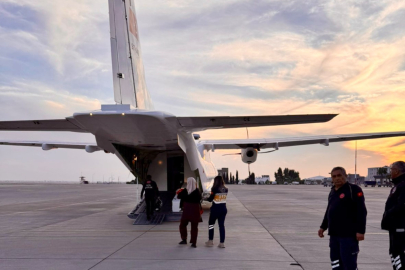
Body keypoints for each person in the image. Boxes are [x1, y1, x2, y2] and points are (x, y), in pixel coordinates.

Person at [318, 166, 367, 270]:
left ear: (345, 176)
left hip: (348, 236)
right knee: (335, 263)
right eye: (334, 176)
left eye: (339, 175)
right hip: (334, 235)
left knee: (349, 265)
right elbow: (329, 210)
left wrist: (360, 231)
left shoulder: (353, 189)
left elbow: (361, 211)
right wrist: (323, 227)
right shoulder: (332, 191)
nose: (336, 178)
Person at [381, 161, 405, 270]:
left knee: (398, 254)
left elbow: (402, 205)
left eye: (391, 170)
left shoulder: (403, 185)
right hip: (394, 227)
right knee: (394, 253)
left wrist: (388, 214)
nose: (390, 172)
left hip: (400, 227)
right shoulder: (398, 185)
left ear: (397, 171)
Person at [177, 177, 202, 248]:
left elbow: (179, 196)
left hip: (187, 210)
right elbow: (200, 198)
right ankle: (193, 242)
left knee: (182, 225)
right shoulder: (197, 191)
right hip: (195, 210)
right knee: (194, 227)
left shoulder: (185, 191)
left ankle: (184, 239)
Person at [205, 175, 228, 248]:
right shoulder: (226, 189)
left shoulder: (214, 189)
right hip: (223, 209)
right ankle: (222, 243)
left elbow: (210, 199)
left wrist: (205, 198)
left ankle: (210, 241)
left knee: (211, 224)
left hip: (215, 210)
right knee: (221, 226)